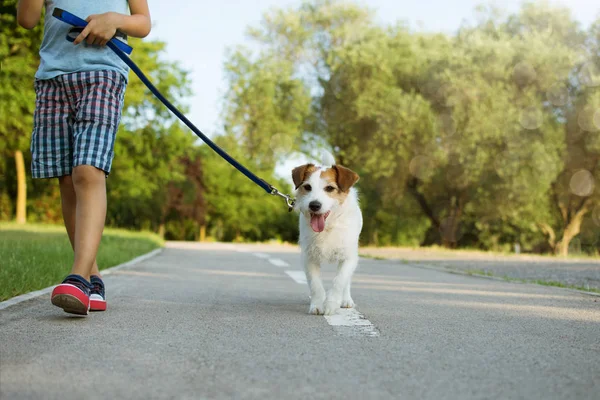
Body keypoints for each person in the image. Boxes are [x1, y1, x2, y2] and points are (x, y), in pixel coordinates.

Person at [16, 0, 151, 315]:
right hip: (52, 78)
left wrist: (113, 20)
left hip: (103, 72)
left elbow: (143, 23)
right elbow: (27, 19)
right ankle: (93, 278)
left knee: (87, 172)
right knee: (66, 179)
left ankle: (77, 277)